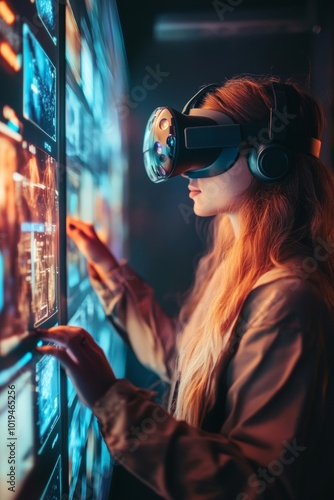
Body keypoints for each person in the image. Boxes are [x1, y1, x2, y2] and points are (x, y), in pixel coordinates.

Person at [37, 76, 334, 499]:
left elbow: (255, 486)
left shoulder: (287, 300)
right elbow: (195, 366)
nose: (184, 170)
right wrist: (110, 276)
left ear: (268, 160)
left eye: (205, 147)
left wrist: (111, 400)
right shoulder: (241, 269)